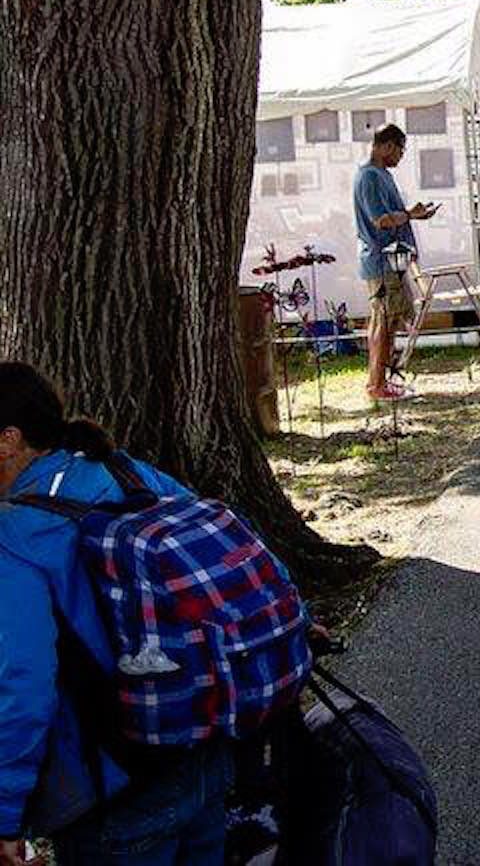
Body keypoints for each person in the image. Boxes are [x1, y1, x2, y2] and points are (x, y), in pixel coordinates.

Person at [0, 365, 233, 865]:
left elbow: (22, 686)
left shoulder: (15, 537)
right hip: (202, 750)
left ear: (7, 440)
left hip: (115, 791)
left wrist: (5, 816)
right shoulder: (125, 471)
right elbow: (222, 550)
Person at [352, 124, 436, 401]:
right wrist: (409, 215)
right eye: (400, 151)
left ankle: (383, 380)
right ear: (387, 146)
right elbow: (382, 220)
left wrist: (413, 217)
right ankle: (375, 385)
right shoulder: (369, 177)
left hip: (394, 261)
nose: (401, 157)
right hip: (381, 261)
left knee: (391, 321)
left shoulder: (382, 175)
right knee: (382, 322)